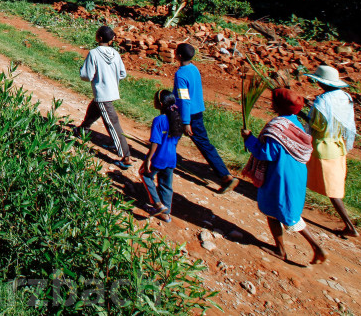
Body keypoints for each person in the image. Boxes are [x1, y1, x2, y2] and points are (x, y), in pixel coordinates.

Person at [242, 88, 326, 265]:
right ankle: (314, 247)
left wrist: (249, 139)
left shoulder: (277, 127)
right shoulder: (296, 124)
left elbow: (266, 153)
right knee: (290, 211)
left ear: (276, 106)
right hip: (296, 173)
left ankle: (285, 249)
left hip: (279, 176)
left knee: (274, 212)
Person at [174, 43, 239, 194]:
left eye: (176, 51)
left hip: (186, 113)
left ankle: (225, 177)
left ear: (180, 56)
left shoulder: (181, 74)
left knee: (174, 137)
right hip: (197, 111)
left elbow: (184, 99)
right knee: (203, 143)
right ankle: (225, 175)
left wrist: (185, 122)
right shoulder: (194, 69)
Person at [306, 65, 359, 237]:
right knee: (334, 184)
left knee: (332, 190)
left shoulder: (323, 100)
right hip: (337, 144)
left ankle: (349, 225)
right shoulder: (345, 97)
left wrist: (305, 115)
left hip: (322, 146)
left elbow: (317, 126)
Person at [77, 25, 133, 169]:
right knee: (94, 108)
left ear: (99, 38)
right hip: (111, 91)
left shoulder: (94, 53)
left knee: (112, 124)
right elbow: (122, 74)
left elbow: (87, 75)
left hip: (103, 93)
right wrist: (111, 80)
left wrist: (82, 72)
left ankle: (125, 156)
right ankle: (83, 130)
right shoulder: (115, 53)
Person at [140, 89, 184, 222]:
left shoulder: (159, 120)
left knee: (145, 174)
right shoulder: (177, 119)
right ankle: (166, 213)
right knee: (166, 184)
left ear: (160, 103)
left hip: (159, 156)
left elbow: (155, 141)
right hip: (171, 157)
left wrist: (148, 158)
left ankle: (157, 204)